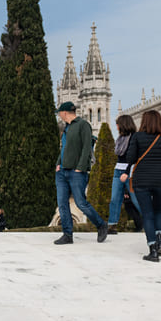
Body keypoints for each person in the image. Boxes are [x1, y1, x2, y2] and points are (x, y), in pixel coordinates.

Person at [126, 110, 161, 262]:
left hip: (142, 180)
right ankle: (160, 241)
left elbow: (130, 158)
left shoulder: (137, 137)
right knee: (157, 211)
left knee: (147, 214)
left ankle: (153, 250)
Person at [54, 102, 108, 245]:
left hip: (76, 172)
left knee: (81, 203)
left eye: (59, 113)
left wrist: (80, 168)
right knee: (62, 203)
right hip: (62, 172)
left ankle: (101, 225)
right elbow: (64, 148)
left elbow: (86, 147)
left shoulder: (83, 125)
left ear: (64, 112)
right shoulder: (67, 127)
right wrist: (58, 164)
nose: (59, 115)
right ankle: (67, 234)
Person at [108, 114, 139, 234]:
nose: (116, 127)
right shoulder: (120, 139)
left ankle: (150, 222)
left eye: (118, 124)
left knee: (136, 199)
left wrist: (127, 172)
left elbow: (134, 157)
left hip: (129, 172)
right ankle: (112, 225)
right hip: (118, 170)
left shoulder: (134, 138)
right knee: (115, 198)